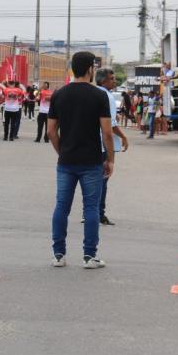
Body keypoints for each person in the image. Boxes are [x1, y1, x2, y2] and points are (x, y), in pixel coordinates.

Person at [47, 51, 113, 268]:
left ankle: (58, 255)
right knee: (91, 208)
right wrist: (110, 159)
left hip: (66, 161)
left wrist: (62, 151)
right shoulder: (99, 95)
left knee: (61, 207)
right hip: (92, 161)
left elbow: (51, 131)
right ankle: (89, 256)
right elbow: (106, 132)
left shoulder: (59, 94)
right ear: (89, 69)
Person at [94, 68, 128, 226]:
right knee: (103, 179)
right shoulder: (107, 96)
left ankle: (89, 212)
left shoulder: (92, 93)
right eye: (112, 79)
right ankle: (99, 213)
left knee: (93, 180)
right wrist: (123, 137)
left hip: (91, 143)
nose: (115, 81)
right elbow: (111, 125)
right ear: (102, 81)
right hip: (104, 144)